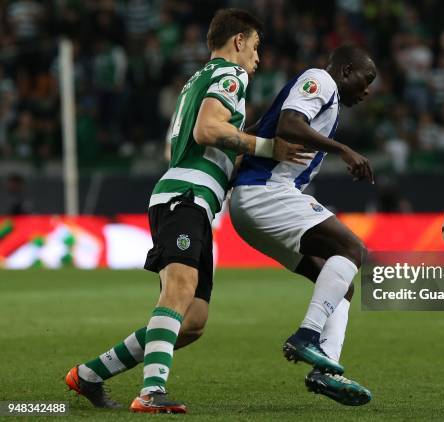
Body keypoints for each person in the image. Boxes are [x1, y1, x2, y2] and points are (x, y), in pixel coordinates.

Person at [65, 8, 307, 414]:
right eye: (257, 47)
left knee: (192, 319)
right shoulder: (232, 76)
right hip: (186, 197)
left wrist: (236, 160)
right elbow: (207, 131)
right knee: (179, 290)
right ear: (239, 41)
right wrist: (266, 148)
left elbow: (184, 142)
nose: (259, 59)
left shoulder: (196, 80)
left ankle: (89, 375)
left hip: (188, 196)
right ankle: (151, 392)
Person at [229, 45, 376, 406]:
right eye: (365, 79)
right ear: (345, 71)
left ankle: (326, 370)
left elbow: (261, 128)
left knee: (340, 285)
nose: (367, 89)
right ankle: (307, 336)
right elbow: (288, 124)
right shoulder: (320, 80)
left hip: (254, 204)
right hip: (266, 193)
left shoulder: (327, 99)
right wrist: (343, 149)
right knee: (353, 250)